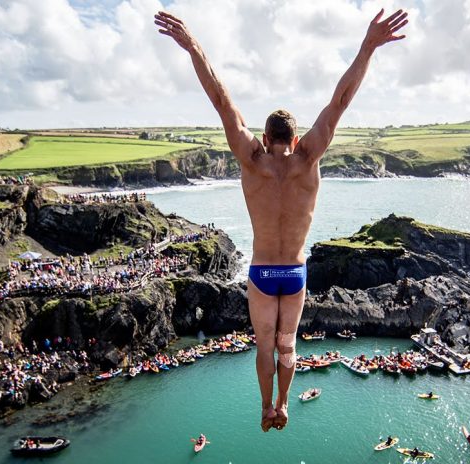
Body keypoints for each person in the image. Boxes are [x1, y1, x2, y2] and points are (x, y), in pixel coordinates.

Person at [155, 8, 408, 432]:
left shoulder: (251, 160)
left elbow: (221, 100)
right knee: (286, 346)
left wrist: (193, 46)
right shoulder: (308, 158)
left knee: (262, 346)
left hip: (259, 270)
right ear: (293, 138)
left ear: (266, 137)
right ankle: (285, 404)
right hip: (293, 271)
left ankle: (264, 406)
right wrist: (367, 47)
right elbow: (340, 101)